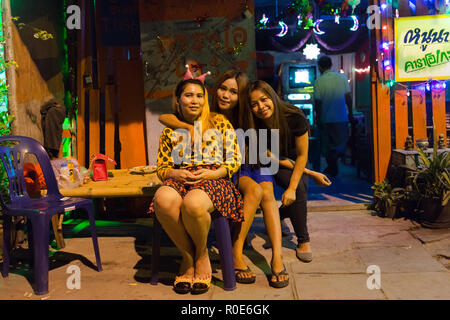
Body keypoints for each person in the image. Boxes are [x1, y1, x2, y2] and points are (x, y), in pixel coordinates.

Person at [160, 70, 330, 288]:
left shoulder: (248, 116)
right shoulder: (206, 112)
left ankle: (277, 258)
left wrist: (309, 172)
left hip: (249, 162)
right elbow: (165, 117)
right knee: (256, 191)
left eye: (233, 92)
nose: (225, 95)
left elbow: (268, 154)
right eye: (222, 89)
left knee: (267, 192)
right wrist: (188, 128)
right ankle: (235, 252)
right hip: (227, 168)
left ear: (241, 97)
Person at [149, 74, 243, 295]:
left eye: (199, 96)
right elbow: (162, 168)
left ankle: (200, 256)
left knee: (192, 204)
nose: (194, 100)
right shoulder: (170, 130)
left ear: (205, 99)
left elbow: (233, 161)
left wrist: (211, 175)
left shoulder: (219, 122)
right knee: (162, 199)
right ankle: (189, 256)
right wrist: (176, 172)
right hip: (180, 178)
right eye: (188, 95)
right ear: (178, 99)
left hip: (215, 179)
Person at [244, 80, 330, 266]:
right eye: (254, 104)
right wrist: (312, 174)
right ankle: (303, 239)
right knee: (298, 188)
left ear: (273, 96)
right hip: (268, 163)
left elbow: (301, 155)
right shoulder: (255, 124)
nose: (261, 107)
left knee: (297, 188)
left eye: (264, 99)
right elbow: (272, 158)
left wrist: (292, 186)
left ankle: (287, 221)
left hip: (293, 161)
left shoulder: (294, 116)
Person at [314, 55, 353, 177]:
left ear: (320, 67)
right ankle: (333, 164)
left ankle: (332, 166)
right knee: (340, 142)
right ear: (331, 65)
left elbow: (318, 103)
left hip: (326, 119)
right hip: (341, 117)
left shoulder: (318, 81)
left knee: (328, 145)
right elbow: (348, 98)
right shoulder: (342, 78)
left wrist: (318, 118)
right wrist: (350, 113)